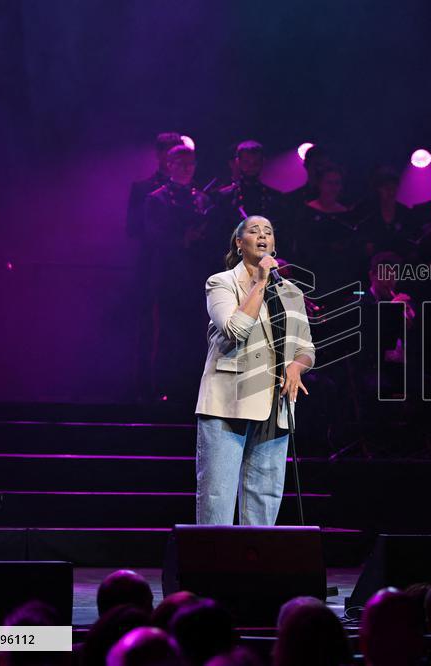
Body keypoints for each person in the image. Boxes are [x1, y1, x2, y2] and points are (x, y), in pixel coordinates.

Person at [195, 216, 316, 525]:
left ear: (274, 244)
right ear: (239, 242)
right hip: (228, 401)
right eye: (254, 230)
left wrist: (296, 367)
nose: (262, 235)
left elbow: (306, 348)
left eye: (269, 232)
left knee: (265, 497)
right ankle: (211, 567)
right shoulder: (220, 282)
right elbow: (235, 329)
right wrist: (260, 282)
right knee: (218, 495)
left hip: (275, 404)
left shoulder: (292, 293)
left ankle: (256, 567)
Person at [144, 143, 216, 402]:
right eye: (181, 164)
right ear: (169, 165)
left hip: (196, 276)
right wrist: (183, 238)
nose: (187, 169)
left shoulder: (203, 198)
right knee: (167, 333)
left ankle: (192, 388)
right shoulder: (156, 198)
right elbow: (152, 237)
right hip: (169, 276)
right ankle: (163, 388)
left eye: (191, 164)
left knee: (197, 333)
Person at [128, 132, 188, 401]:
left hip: (183, 269)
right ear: (160, 154)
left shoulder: (193, 192)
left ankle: (178, 385)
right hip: (154, 266)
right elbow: (134, 229)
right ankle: (147, 387)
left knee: (180, 325)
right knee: (151, 326)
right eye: (168, 151)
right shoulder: (144, 189)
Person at [215, 140, 285, 222]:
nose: (251, 167)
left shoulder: (274, 197)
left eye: (256, 163)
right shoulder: (226, 197)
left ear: (263, 162)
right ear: (238, 162)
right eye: (246, 162)